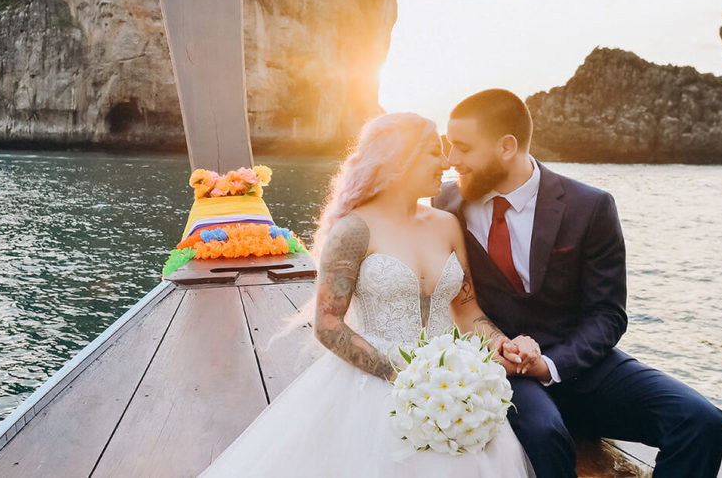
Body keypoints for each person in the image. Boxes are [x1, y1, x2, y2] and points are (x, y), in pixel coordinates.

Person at [199, 112, 536, 477]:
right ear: (398, 159)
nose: (446, 162)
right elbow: (328, 324)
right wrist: (404, 378)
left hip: (453, 390)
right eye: (432, 152)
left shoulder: (447, 224)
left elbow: (467, 310)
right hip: (376, 385)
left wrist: (502, 344)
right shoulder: (353, 230)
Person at [432, 89, 722, 478]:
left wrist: (551, 365)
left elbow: (608, 314)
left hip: (583, 366)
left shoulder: (590, 206)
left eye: (463, 148)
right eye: (449, 146)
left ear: (506, 146)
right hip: (501, 366)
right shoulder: (446, 205)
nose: (452, 160)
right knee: (545, 434)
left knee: (702, 420)